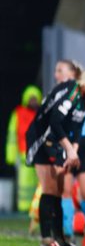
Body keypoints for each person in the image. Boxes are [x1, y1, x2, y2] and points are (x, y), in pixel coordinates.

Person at [25, 62, 85, 246]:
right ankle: (47, 239)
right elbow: (55, 121)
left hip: (56, 140)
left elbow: (77, 125)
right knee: (50, 188)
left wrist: (75, 149)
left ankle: (60, 238)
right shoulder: (73, 92)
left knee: (61, 188)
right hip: (41, 138)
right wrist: (69, 150)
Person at [52, 60, 85, 245]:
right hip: (65, 141)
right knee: (64, 189)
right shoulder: (62, 93)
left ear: (72, 74)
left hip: (84, 143)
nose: (56, 75)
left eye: (60, 71)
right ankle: (67, 233)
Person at [5, 84, 42, 213]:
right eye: (31, 98)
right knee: (24, 183)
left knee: (40, 181)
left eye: (35, 98)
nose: (33, 101)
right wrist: (11, 155)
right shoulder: (18, 113)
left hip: (40, 153)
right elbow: (12, 136)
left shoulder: (42, 113)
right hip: (23, 154)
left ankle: (38, 208)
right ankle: (24, 208)